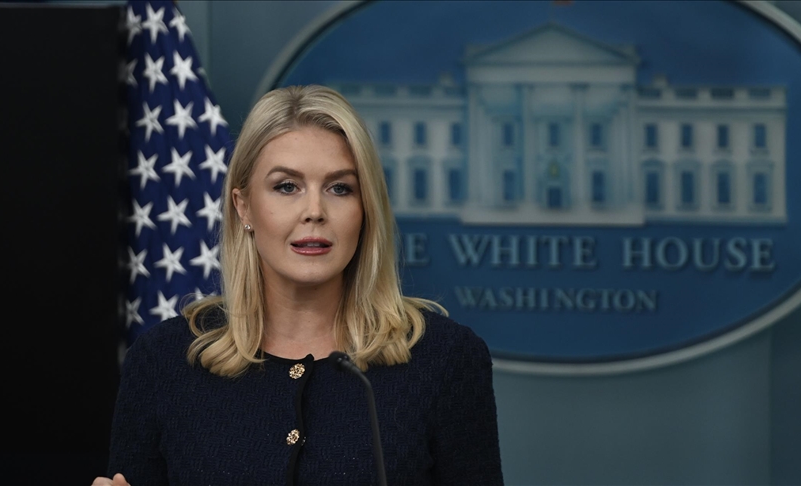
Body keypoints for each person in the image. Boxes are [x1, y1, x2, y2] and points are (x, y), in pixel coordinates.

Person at [93, 85, 503, 485]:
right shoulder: (162, 361)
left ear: (366, 209)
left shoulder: (446, 359)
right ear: (243, 207)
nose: (314, 211)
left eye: (340, 188)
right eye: (286, 187)